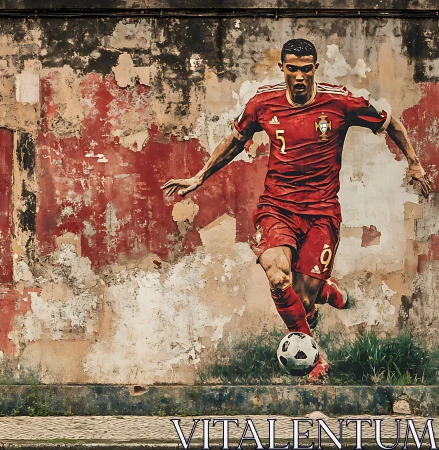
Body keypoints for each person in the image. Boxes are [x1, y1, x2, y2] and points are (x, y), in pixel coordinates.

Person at [161, 38, 433, 383]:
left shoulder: (340, 101)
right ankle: (315, 358)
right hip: (277, 209)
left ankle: (323, 290)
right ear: (283, 68)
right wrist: (200, 176)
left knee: (301, 305)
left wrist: (414, 164)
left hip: (321, 214)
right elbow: (234, 142)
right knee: (278, 279)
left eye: (306, 69)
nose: (300, 76)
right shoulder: (263, 104)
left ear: (315, 68)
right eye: (293, 68)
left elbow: (392, 123)